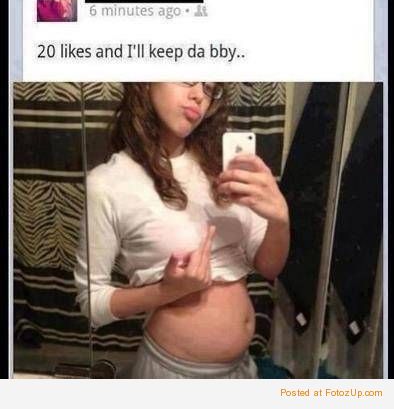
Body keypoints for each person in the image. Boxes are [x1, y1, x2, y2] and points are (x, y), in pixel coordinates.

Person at [74, 82, 290, 379]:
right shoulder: (108, 183)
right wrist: (167, 291)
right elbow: (92, 302)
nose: (199, 95)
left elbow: (269, 267)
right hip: (173, 374)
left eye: (209, 87)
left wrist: (279, 219)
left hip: (241, 369)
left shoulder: (221, 166)